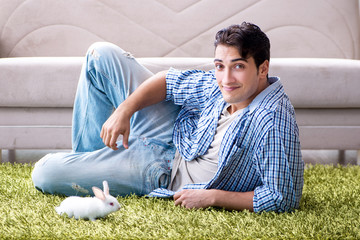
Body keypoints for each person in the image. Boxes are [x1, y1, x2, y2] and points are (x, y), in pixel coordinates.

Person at [32, 22, 304, 213]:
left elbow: (282, 197)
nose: (226, 79)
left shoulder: (272, 122)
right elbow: (168, 81)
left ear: (262, 68)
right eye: (220, 66)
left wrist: (213, 197)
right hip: (173, 130)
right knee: (99, 54)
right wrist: (124, 111)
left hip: (163, 171)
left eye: (239, 67)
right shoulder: (224, 82)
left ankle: (92, 166)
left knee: (44, 172)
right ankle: (94, 161)